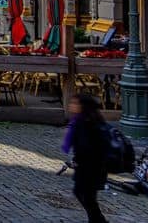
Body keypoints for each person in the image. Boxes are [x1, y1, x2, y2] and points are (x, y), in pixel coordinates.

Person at [62, 94, 111, 223]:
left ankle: (98, 220)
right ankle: (97, 220)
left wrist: (78, 160)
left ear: (82, 107)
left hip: (91, 168)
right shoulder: (82, 121)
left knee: (85, 195)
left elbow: (87, 147)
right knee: (86, 195)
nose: (71, 105)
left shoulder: (87, 124)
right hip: (89, 167)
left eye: (75, 103)